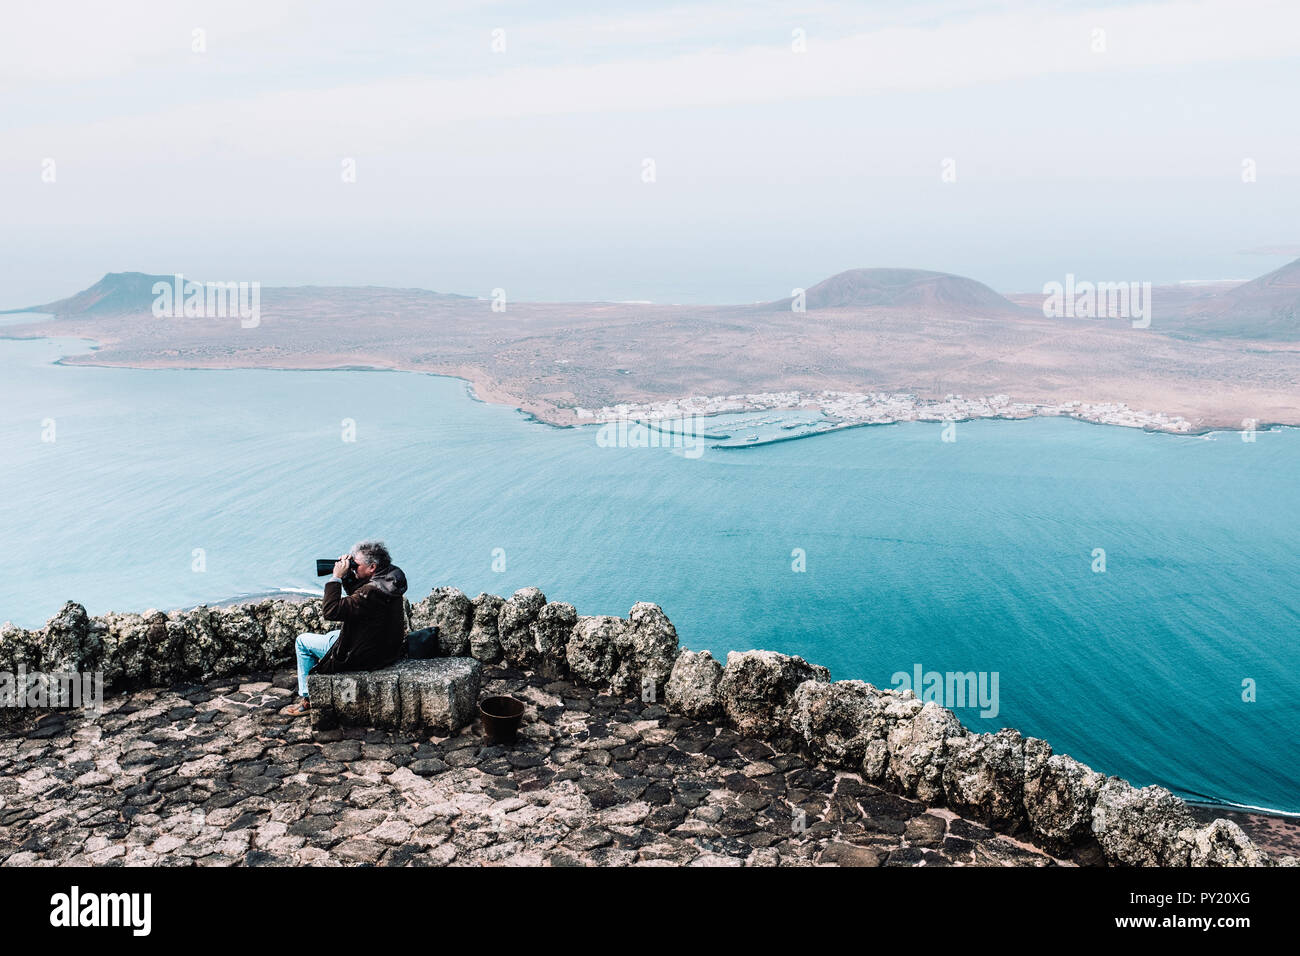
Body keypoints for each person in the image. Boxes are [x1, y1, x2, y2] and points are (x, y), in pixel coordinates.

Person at [282, 540, 408, 717]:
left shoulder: (371, 593)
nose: (353, 567)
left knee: (302, 641)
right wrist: (351, 573)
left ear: (372, 567)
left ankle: (308, 697)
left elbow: (331, 611)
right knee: (332, 635)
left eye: (357, 564)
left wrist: (336, 578)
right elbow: (358, 596)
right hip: (384, 648)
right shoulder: (390, 579)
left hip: (364, 655)